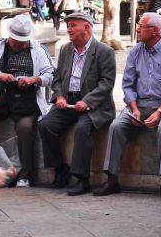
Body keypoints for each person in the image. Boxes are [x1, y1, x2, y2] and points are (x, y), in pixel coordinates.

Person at [93, 12, 161, 199]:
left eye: (141, 26)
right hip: (139, 104)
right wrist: (134, 110)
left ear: (155, 31)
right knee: (116, 126)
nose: (137, 29)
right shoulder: (135, 51)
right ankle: (111, 178)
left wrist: (159, 112)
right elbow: (127, 84)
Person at [37, 12, 116, 196]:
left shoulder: (104, 51)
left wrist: (87, 101)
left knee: (82, 129)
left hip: (94, 106)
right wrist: (59, 97)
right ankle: (60, 168)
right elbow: (57, 78)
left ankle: (81, 179)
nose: (69, 29)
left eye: (73, 25)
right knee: (46, 125)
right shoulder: (66, 49)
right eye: (68, 26)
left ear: (86, 28)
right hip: (68, 102)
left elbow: (107, 83)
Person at [0, 15, 55, 188]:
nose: (17, 45)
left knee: (25, 127)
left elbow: (50, 75)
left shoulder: (39, 49)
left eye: (21, 42)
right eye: (14, 40)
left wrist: (34, 79)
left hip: (25, 101)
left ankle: (25, 175)